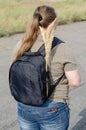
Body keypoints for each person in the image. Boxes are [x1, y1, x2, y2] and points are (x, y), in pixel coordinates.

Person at [11, 5, 81, 130]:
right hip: (53, 107)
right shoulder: (61, 48)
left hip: (24, 106)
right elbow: (75, 82)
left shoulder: (22, 44)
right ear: (54, 23)